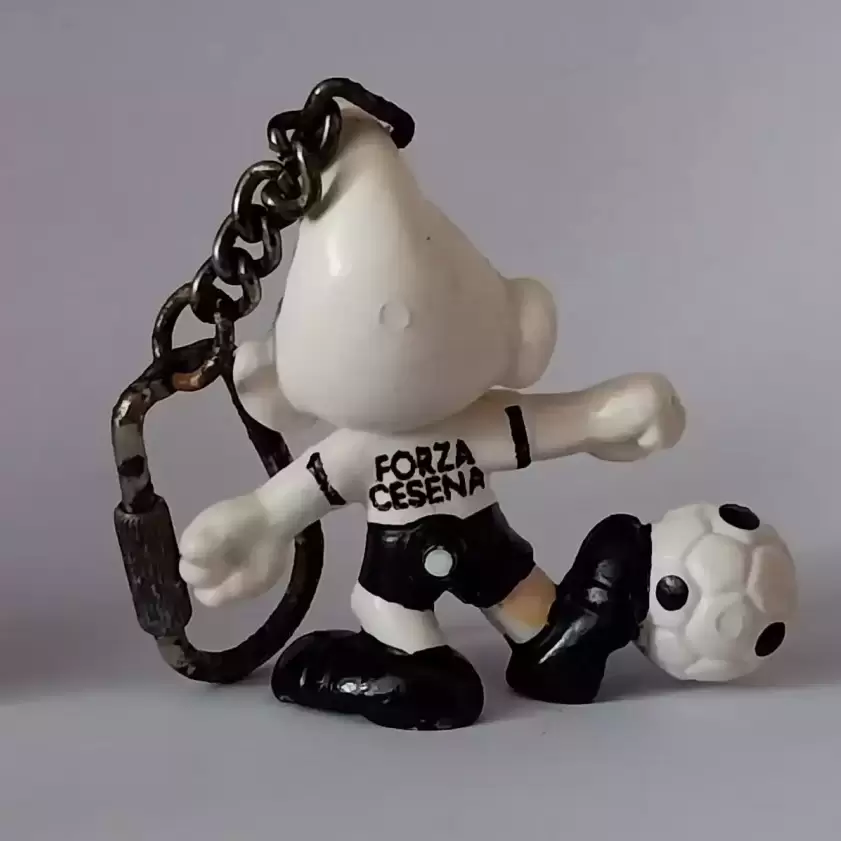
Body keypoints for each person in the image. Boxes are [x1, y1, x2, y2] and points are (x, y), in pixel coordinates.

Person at [178, 107, 686, 730]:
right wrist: (258, 524)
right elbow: (290, 499)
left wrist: (609, 413)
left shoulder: (476, 423)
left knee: (556, 641)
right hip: (394, 587)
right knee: (434, 682)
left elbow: (560, 422)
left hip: (495, 558)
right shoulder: (355, 451)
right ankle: (370, 665)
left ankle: (556, 650)